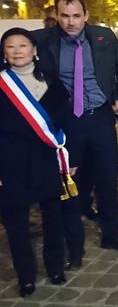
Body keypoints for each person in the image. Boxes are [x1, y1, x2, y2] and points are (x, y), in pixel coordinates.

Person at [34, 0, 118, 253]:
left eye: (77, 16)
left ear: (86, 15)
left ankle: (111, 233)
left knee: (107, 179)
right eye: (65, 16)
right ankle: (73, 239)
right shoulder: (43, 40)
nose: (71, 22)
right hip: (68, 122)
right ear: (56, 15)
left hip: (101, 118)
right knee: (70, 182)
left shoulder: (103, 37)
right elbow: (10, 45)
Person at [0, 28, 72, 297]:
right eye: (10, 46)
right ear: (4, 52)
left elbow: (65, 121)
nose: (17, 51)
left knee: (53, 217)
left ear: (35, 50)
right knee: (17, 222)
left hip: (45, 158)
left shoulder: (51, 81)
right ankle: (26, 276)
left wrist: (67, 157)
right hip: (10, 162)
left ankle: (55, 266)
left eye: (22, 45)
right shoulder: (2, 84)